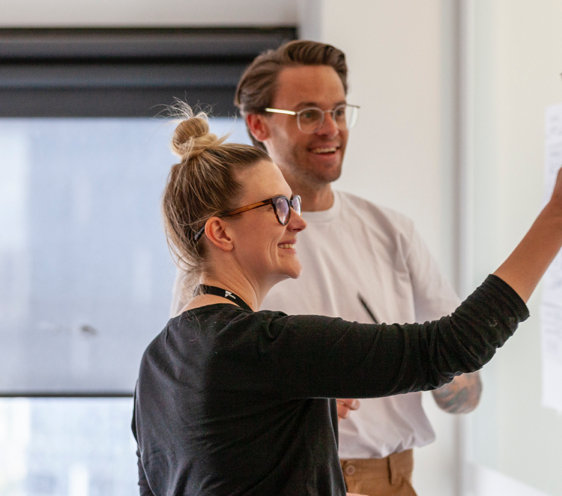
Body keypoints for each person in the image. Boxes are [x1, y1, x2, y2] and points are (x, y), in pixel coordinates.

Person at [133, 105, 562, 495]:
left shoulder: (156, 364)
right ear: (220, 232)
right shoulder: (263, 346)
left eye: (293, 204)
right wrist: (561, 214)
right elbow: (451, 347)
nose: (296, 222)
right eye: (279, 206)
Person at [171, 39, 478, 495]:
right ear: (258, 124)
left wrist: (424, 362)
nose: (330, 128)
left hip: (393, 482)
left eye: (338, 111)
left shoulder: (393, 232)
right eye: (308, 114)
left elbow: (465, 392)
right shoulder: (225, 261)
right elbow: (194, 401)